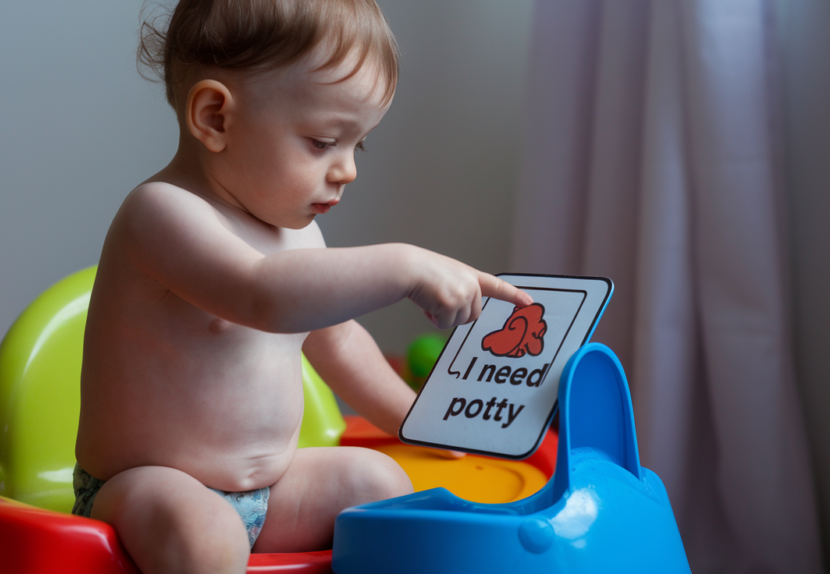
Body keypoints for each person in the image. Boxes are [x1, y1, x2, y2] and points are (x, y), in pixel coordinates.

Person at [73, 1, 533, 572]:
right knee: (205, 536)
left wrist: (418, 420)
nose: (348, 170)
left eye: (356, 145)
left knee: (380, 483)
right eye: (322, 142)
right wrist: (404, 264)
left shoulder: (300, 237)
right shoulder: (161, 215)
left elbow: (338, 343)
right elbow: (261, 294)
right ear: (215, 118)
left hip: (270, 493)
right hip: (146, 489)